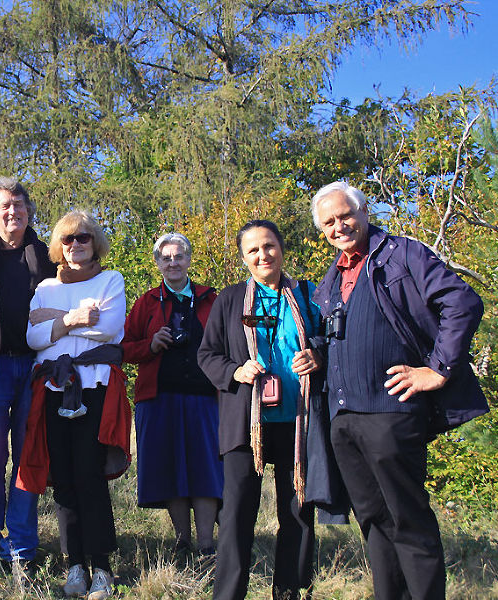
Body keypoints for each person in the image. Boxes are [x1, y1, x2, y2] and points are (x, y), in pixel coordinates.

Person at [310, 181, 487, 600]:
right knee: (374, 522)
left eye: (345, 216)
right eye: (329, 222)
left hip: (391, 414)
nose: (340, 226)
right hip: (345, 420)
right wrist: (317, 354)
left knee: (408, 520)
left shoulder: (402, 255)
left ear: (364, 211)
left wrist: (437, 370)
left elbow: (462, 303)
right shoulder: (331, 277)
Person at [198, 220, 322, 600]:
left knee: (298, 513)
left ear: (282, 249)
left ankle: (289, 591)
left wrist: (317, 353)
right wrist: (237, 370)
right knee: (237, 516)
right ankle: (229, 594)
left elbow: (329, 337)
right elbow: (207, 355)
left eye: (268, 246)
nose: (262, 255)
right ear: (243, 258)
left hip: (298, 421)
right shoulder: (231, 299)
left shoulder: (307, 293)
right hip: (245, 423)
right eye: (252, 250)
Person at [16, 210, 130, 600]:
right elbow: (33, 338)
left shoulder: (110, 280)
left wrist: (56, 323)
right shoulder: (45, 288)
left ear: (94, 242)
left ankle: (101, 567)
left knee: (90, 473)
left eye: (83, 237)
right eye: (67, 239)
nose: (76, 244)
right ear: (58, 246)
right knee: (63, 475)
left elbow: (109, 328)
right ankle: (74, 566)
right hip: (51, 388)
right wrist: (77, 316)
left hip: (94, 387)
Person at [0, 177, 56, 579]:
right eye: (4, 206)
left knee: (27, 458)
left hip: (36, 366)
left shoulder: (46, 254)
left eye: (18, 206)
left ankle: (21, 545)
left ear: (28, 211)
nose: (12, 212)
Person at [121, 232, 222, 556]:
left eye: (179, 256)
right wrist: (150, 345)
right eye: (167, 258)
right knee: (172, 469)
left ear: (189, 259)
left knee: (206, 468)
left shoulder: (211, 299)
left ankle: (206, 542)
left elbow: (229, 342)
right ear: (158, 263)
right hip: (159, 398)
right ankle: (182, 539)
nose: (173, 262)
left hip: (206, 398)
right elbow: (123, 348)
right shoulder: (147, 302)